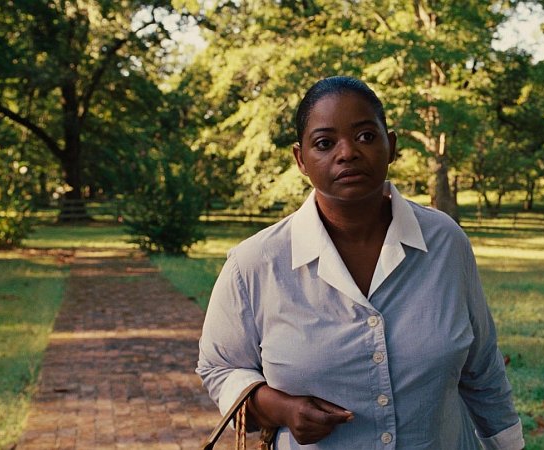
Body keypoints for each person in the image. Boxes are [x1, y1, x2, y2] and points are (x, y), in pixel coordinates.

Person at [197, 76, 525, 449]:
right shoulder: (256, 263)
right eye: (325, 143)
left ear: (392, 146)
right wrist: (279, 408)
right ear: (301, 159)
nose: (348, 153)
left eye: (366, 136)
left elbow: (482, 369)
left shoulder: (445, 243)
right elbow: (219, 367)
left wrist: (510, 445)